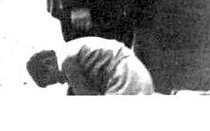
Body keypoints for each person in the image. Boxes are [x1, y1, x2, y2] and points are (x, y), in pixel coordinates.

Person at [26, 37, 154, 95]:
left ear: (48, 63)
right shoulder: (70, 50)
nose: (61, 82)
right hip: (132, 74)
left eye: (54, 81)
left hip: (125, 78)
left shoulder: (66, 62)